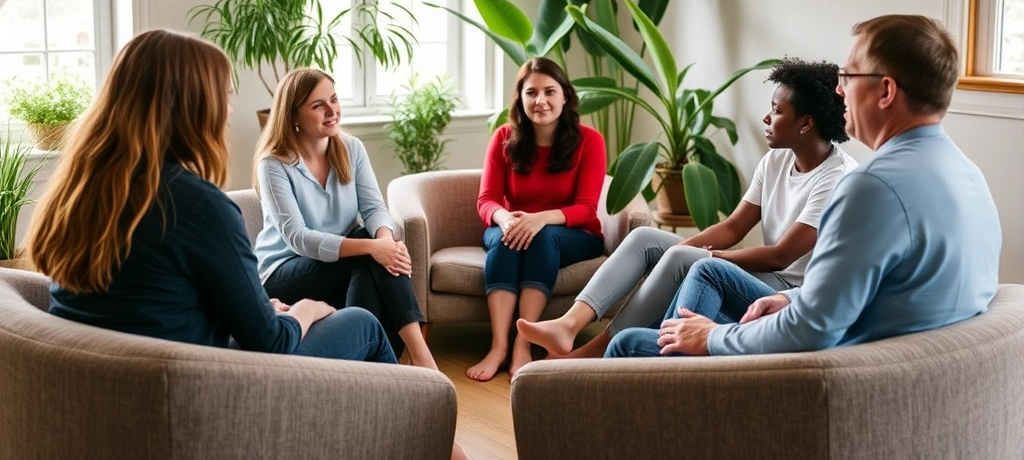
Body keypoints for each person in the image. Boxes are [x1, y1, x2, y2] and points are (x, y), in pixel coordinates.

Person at [607, 14, 1001, 359]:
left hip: (834, 368)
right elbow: (882, 289)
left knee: (627, 345)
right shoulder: (969, 176)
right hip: (887, 353)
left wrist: (714, 338)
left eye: (848, 76)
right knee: (702, 288)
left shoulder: (871, 188)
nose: (839, 89)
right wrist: (788, 298)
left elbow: (813, 328)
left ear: (885, 91)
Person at [28, 29, 394, 364]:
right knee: (362, 324)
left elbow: (150, 294)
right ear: (191, 107)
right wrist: (307, 310)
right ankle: (430, 432)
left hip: (109, 381)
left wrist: (259, 307)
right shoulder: (199, 205)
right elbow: (271, 342)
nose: (230, 109)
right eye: (224, 95)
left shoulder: (80, 191)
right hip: (197, 388)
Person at [518, 59, 856, 358]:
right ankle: (568, 324)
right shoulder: (776, 160)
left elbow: (782, 256)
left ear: (806, 123)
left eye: (777, 111)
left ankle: (596, 350)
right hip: (765, 272)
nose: (767, 117)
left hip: (785, 291)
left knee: (683, 258)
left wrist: (713, 257)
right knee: (647, 240)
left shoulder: (836, 177)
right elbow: (733, 228)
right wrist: (684, 247)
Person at [253, 68, 437, 370]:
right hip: (283, 271)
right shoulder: (273, 164)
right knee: (366, 251)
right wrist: (372, 248)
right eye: (317, 105)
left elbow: (375, 208)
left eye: (334, 100)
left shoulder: (351, 148)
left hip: (343, 265)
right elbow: (298, 238)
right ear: (293, 116)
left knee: (372, 250)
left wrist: (385, 242)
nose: (331, 110)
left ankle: (372, 368)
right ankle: (420, 359)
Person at [468, 57, 607, 381]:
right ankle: (499, 345)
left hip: (575, 233)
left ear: (565, 97)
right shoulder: (504, 137)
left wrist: (539, 219)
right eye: (531, 93)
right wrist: (504, 220)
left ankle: (524, 341)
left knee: (541, 236)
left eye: (549, 91)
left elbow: (586, 208)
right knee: (509, 238)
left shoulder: (590, 141)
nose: (540, 100)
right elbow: (486, 200)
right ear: (520, 98)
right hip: (512, 226)